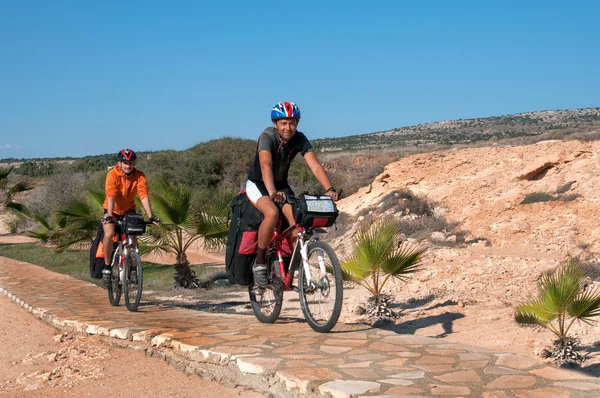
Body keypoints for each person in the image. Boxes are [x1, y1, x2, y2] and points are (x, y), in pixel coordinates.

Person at [246, 101, 339, 287]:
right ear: (275, 124)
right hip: (259, 184)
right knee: (271, 213)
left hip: (281, 186)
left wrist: (329, 189)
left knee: (297, 223)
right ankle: (260, 262)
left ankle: (294, 269)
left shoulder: (300, 138)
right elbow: (266, 165)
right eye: (284, 123)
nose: (288, 127)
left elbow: (314, 165)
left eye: (292, 123)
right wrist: (272, 192)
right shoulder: (267, 136)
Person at [100, 149, 159, 287]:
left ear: (134, 163)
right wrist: (109, 215)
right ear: (119, 163)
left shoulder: (139, 176)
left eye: (131, 163)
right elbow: (111, 195)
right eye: (125, 163)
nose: (128, 166)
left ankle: (133, 267)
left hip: (128, 210)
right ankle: (107, 267)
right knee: (108, 234)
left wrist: (151, 216)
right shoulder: (112, 174)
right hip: (112, 210)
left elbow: (143, 195)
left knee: (133, 236)